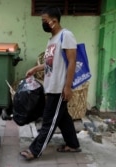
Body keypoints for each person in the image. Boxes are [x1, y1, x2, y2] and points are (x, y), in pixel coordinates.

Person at [20, 6, 81, 160]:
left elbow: (72, 61)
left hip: (59, 87)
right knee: (62, 118)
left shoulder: (66, 35)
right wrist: (35, 68)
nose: (43, 24)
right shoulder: (52, 39)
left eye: (44, 21)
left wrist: (67, 87)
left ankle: (35, 150)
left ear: (54, 21)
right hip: (52, 85)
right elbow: (51, 63)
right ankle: (72, 144)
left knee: (49, 121)